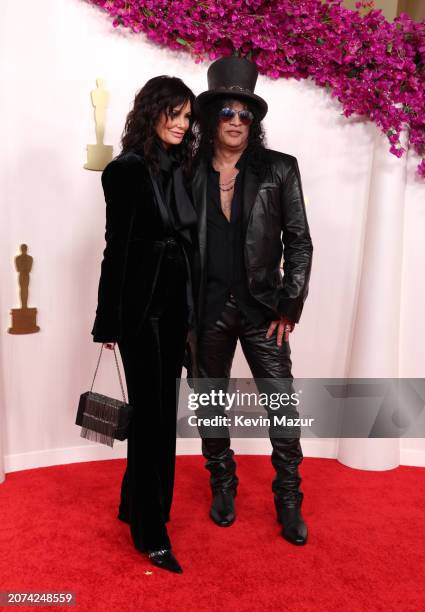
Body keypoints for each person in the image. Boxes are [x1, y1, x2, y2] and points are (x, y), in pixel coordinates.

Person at [188, 56, 313, 545]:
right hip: (206, 309)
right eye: (227, 112)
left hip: (264, 310)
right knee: (211, 403)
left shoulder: (279, 170)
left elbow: (299, 240)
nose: (237, 121)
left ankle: (288, 497)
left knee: (281, 405)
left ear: (254, 121)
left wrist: (290, 304)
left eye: (246, 114)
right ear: (212, 116)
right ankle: (222, 483)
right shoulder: (189, 171)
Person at [91, 76, 198, 573]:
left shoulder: (183, 167)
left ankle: (134, 505)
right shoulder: (126, 170)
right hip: (141, 310)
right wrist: (107, 320)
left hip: (177, 309)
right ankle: (150, 533)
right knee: (153, 419)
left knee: (163, 412)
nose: (181, 124)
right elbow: (117, 248)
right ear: (152, 112)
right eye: (172, 114)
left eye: (187, 116)